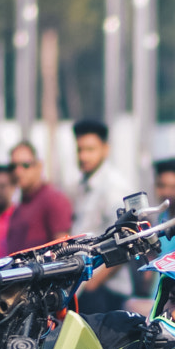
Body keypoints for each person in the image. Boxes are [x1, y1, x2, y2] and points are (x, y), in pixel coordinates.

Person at [71, 119, 132, 304]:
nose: (83, 156)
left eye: (90, 150)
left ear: (106, 149)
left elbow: (125, 243)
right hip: (85, 287)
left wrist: (91, 285)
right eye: (80, 150)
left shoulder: (114, 188)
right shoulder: (84, 185)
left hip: (105, 291)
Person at [5, 139, 74, 254]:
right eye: (13, 166)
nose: (18, 171)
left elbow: (64, 251)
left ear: (39, 166)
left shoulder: (53, 199)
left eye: (25, 165)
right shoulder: (19, 207)